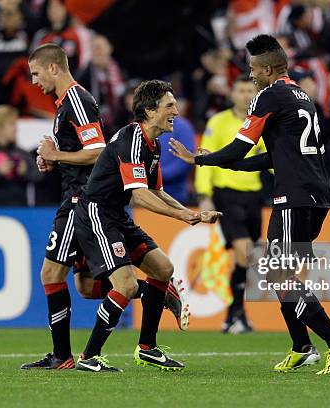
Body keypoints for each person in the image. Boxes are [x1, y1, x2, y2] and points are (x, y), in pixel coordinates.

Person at [169, 34, 330, 375]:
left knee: (278, 272)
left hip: (294, 196)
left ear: (269, 69)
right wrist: (220, 162)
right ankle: (302, 347)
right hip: (314, 193)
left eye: (253, 68)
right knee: (279, 273)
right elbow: (274, 156)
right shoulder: (301, 96)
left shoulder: (268, 97)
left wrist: (202, 160)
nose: (250, 75)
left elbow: (242, 147)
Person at [20, 45, 188, 371]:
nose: (34, 81)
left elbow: (97, 151)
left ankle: (64, 356)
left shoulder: (77, 101)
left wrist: (57, 157)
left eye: (36, 73)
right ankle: (155, 292)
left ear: (53, 68)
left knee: (51, 274)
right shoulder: (65, 105)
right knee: (85, 287)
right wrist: (53, 160)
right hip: (82, 199)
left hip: (81, 202)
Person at [73, 80, 221, 372]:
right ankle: (89, 357)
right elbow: (139, 196)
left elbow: (156, 190)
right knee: (126, 285)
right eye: (169, 105)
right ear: (150, 111)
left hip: (116, 215)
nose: (176, 111)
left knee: (163, 269)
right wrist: (181, 218)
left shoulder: (152, 145)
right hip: (97, 215)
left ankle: (147, 348)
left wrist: (191, 213)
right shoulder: (132, 140)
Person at [195, 74, 266, 333]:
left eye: (251, 90)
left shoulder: (260, 124)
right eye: (242, 90)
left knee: (244, 258)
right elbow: (205, 157)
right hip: (226, 193)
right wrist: (204, 194)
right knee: (243, 251)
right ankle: (237, 315)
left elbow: (271, 158)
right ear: (232, 95)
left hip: (254, 196)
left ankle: (234, 315)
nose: (247, 95)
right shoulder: (218, 121)